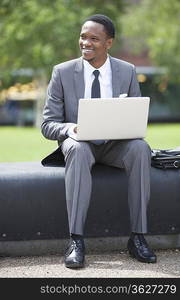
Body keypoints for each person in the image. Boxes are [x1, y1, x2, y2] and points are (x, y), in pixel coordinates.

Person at [41, 14, 157, 268]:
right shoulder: (62, 72)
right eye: (83, 37)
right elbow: (48, 125)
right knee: (80, 149)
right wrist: (73, 128)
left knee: (140, 148)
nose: (86, 43)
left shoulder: (127, 71)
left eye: (94, 38)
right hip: (79, 144)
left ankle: (137, 237)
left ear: (109, 43)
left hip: (115, 146)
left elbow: (134, 115)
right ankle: (76, 240)